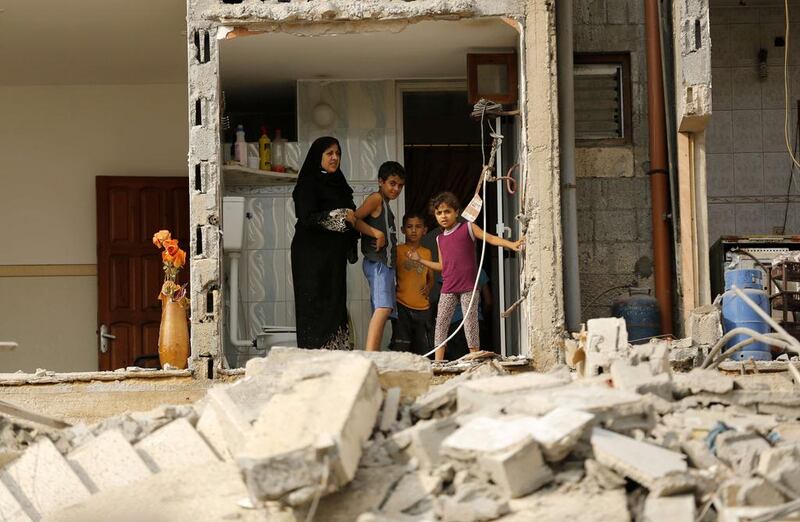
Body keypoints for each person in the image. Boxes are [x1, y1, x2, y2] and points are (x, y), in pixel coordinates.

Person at [408, 192, 523, 361]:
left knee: (470, 324)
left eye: (447, 211)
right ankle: (438, 362)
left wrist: (511, 244)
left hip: (469, 286)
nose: (443, 216)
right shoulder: (440, 239)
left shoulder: (468, 228)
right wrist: (420, 260)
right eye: (439, 213)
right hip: (448, 288)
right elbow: (441, 266)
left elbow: (490, 238)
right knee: (441, 324)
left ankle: (474, 358)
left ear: (456, 212)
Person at [291, 136, 364, 350]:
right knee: (314, 304)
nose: (334, 158)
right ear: (318, 156)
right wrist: (342, 214)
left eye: (338, 153)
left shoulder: (339, 184)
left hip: (333, 258)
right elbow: (307, 217)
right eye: (329, 153)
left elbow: (353, 217)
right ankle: (314, 357)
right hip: (310, 258)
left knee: (335, 304)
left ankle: (336, 356)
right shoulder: (307, 184)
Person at [355, 161, 406, 351]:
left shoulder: (385, 204)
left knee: (384, 309)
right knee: (383, 308)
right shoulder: (376, 198)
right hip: (378, 264)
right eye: (392, 183)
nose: (396, 188)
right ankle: (371, 355)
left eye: (400, 185)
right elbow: (354, 218)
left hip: (385, 265)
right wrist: (376, 233)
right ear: (380, 182)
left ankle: (374, 353)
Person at [392, 212, 434, 355]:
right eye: (409, 227)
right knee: (401, 347)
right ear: (403, 230)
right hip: (402, 305)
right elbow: (390, 274)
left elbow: (431, 277)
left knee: (423, 349)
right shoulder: (397, 250)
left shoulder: (427, 252)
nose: (414, 230)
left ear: (425, 230)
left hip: (423, 308)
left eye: (418, 227)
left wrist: (429, 287)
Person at [447, 268, 492, 359]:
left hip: (456, 323)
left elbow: (445, 302)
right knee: (478, 360)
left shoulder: (449, 268)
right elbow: (488, 302)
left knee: (459, 361)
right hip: (476, 320)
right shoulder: (479, 271)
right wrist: (481, 315)